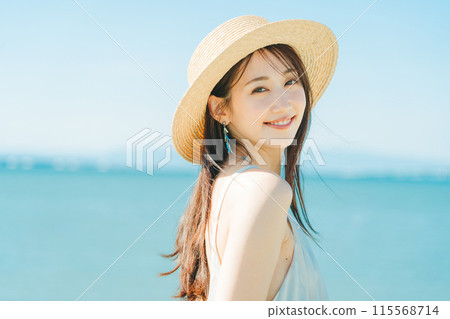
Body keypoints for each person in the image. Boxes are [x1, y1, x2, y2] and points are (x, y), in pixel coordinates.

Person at [160, 15, 338, 301]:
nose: (284, 102)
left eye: (291, 81)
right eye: (260, 88)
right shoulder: (264, 192)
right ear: (220, 110)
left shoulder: (225, 184)